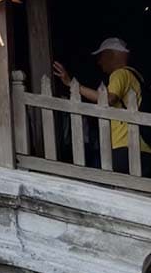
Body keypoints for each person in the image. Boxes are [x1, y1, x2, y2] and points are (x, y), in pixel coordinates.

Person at [52, 37, 151, 176]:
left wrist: (72, 85)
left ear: (110, 55)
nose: (99, 62)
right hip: (144, 149)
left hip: (125, 148)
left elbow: (108, 99)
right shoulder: (137, 77)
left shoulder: (120, 73)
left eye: (101, 57)